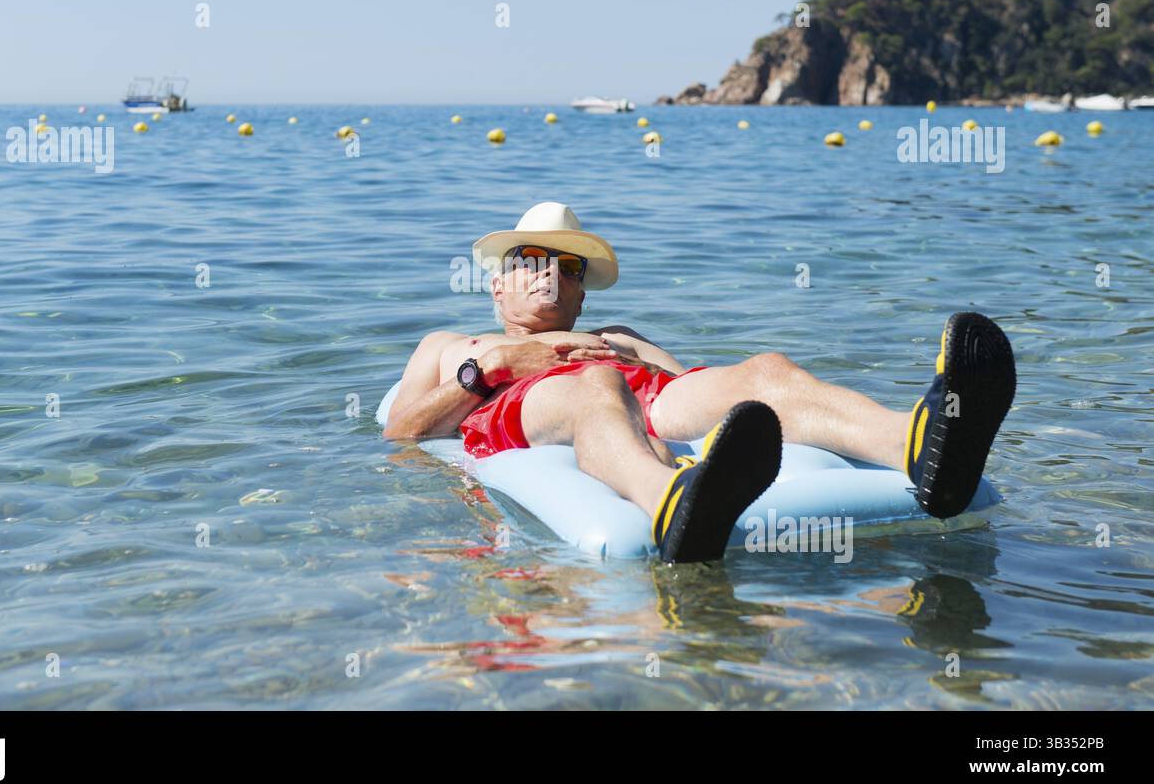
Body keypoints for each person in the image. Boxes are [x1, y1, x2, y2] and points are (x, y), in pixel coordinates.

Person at [383, 202, 1016, 563]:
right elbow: (400, 432)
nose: (549, 273)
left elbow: (696, 387)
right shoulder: (454, 348)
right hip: (525, 401)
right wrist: (492, 368)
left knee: (765, 372)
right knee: (596, 388)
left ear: (581, 290)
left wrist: (656, 368)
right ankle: (668, 503)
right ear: (497, 284)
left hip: (639, 395)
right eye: (530, 260)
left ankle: (924, 442)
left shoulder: (617, 335)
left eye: (567, 265)